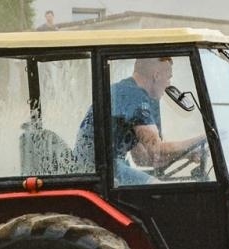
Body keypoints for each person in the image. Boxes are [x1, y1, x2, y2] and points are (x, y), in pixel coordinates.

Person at [75, 57, 205, 185]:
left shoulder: (125, 92)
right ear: (157, 76)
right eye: (169, 78)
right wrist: (204, 138)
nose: (169, 84)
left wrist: (187, 154)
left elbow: (144, 158)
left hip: (104, 166)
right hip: (100, 168)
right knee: (159, 190)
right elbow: (157, 150)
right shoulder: (134, 96)